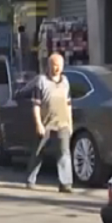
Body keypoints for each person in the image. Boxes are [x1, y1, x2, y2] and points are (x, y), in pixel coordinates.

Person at [26, 53, 74, 193]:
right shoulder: (41, 81)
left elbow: (69, 104)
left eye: (60, 65)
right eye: (55, 65)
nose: (57, 68)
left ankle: (65, 184)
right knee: (38, 152)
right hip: (46, 123)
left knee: (64, 153)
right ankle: (30, 179)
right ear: (49, 66)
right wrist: (39, 124)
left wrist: (70, 123)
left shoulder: (65, 82)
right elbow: (36, 105)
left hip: (62, 123)